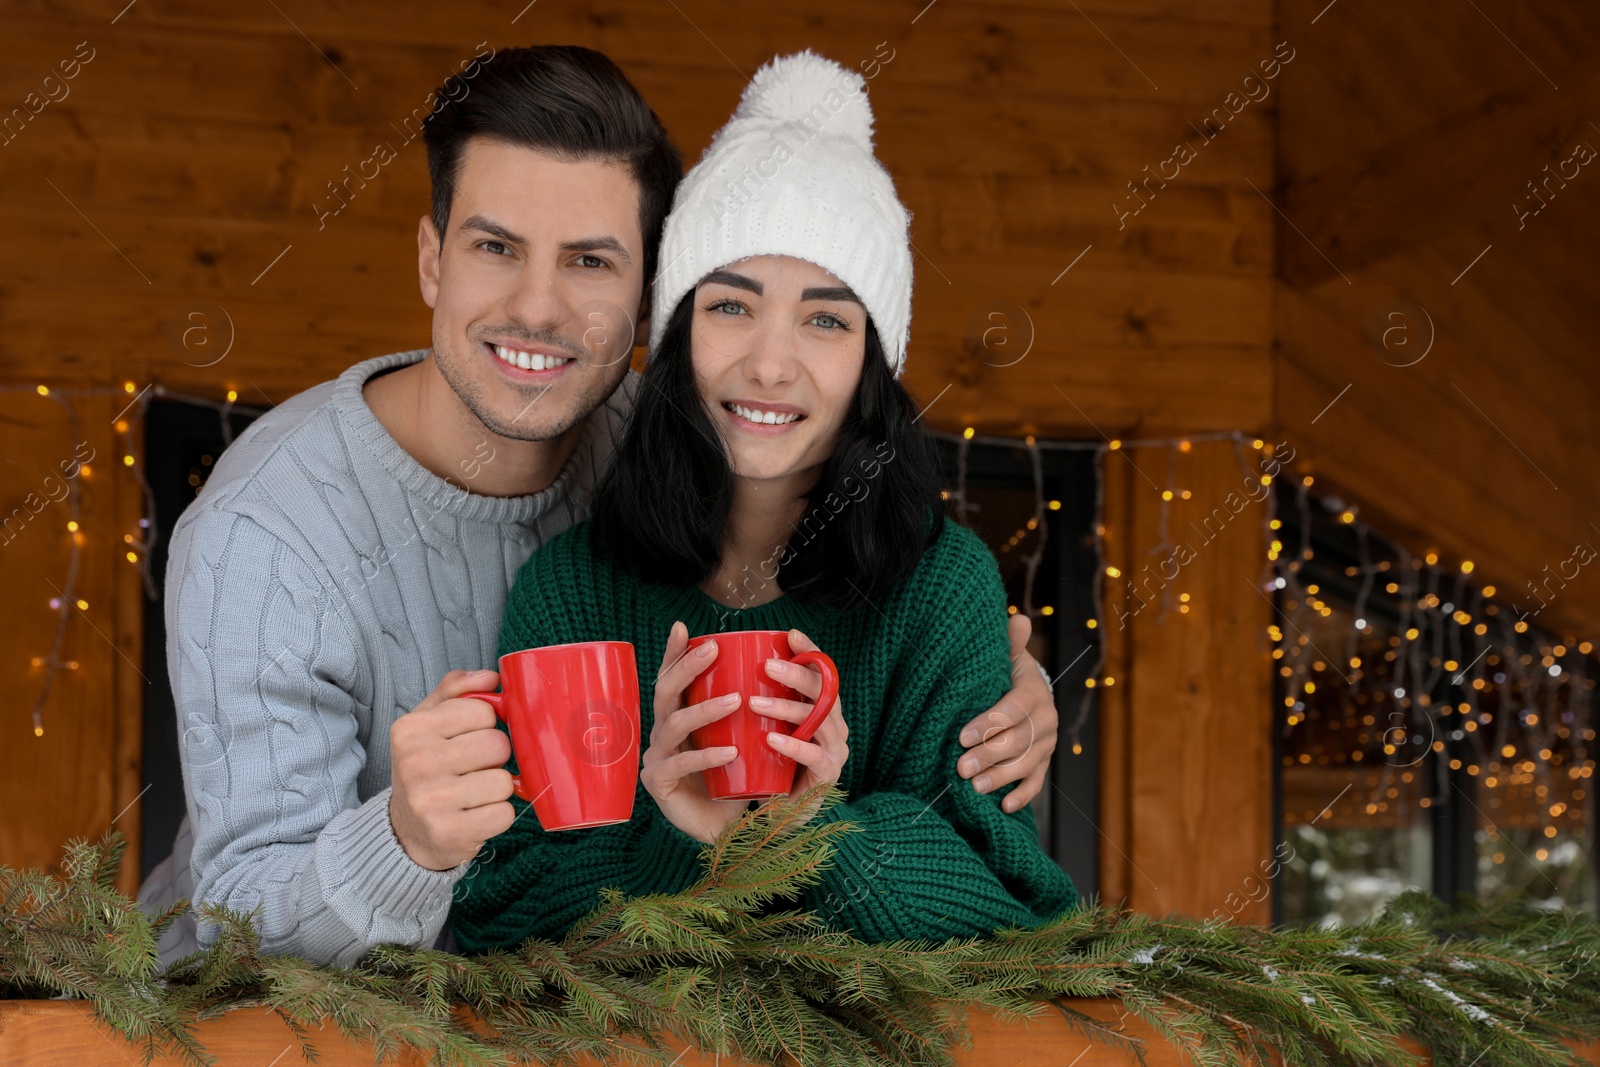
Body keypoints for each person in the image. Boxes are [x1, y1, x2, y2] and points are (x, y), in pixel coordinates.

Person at [137, 45, 1062, 968]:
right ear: (430, 258)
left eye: (588, 260)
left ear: (646, 296)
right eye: (495, 246)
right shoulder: (265, 537)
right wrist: (404, 840)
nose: (538, 308)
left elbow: (1007, 890)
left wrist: (997, 676)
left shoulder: (694, 430)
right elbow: (240, 928)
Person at [450, 52, 1078, 951]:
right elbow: (502, 918)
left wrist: (803, 838)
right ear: (676, 334)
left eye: (826, 319)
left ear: (871, 362)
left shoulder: (941, 590)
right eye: (731, 306)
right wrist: (676, 833)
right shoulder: (575, 592)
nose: (771, 363)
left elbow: (1014, 914)